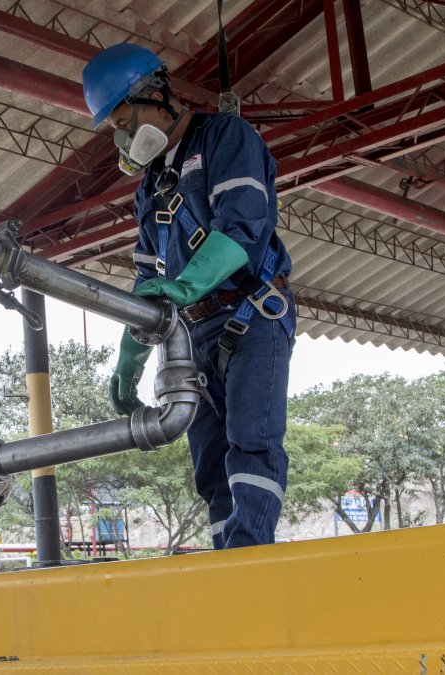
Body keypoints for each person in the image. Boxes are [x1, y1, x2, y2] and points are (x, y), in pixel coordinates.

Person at [82, 43, 295, 549]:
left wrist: (182, 286)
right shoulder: (150, 186)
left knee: (252, 443)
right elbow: (146, 281)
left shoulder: (226, 137)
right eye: (114, 126)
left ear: (154, 95)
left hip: (252, 313)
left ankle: (249, 558)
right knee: (209, 463)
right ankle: (224, 563)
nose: (123, 134)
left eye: (122, 119)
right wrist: (128, 361)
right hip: (192, 333)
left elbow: (242, 227)